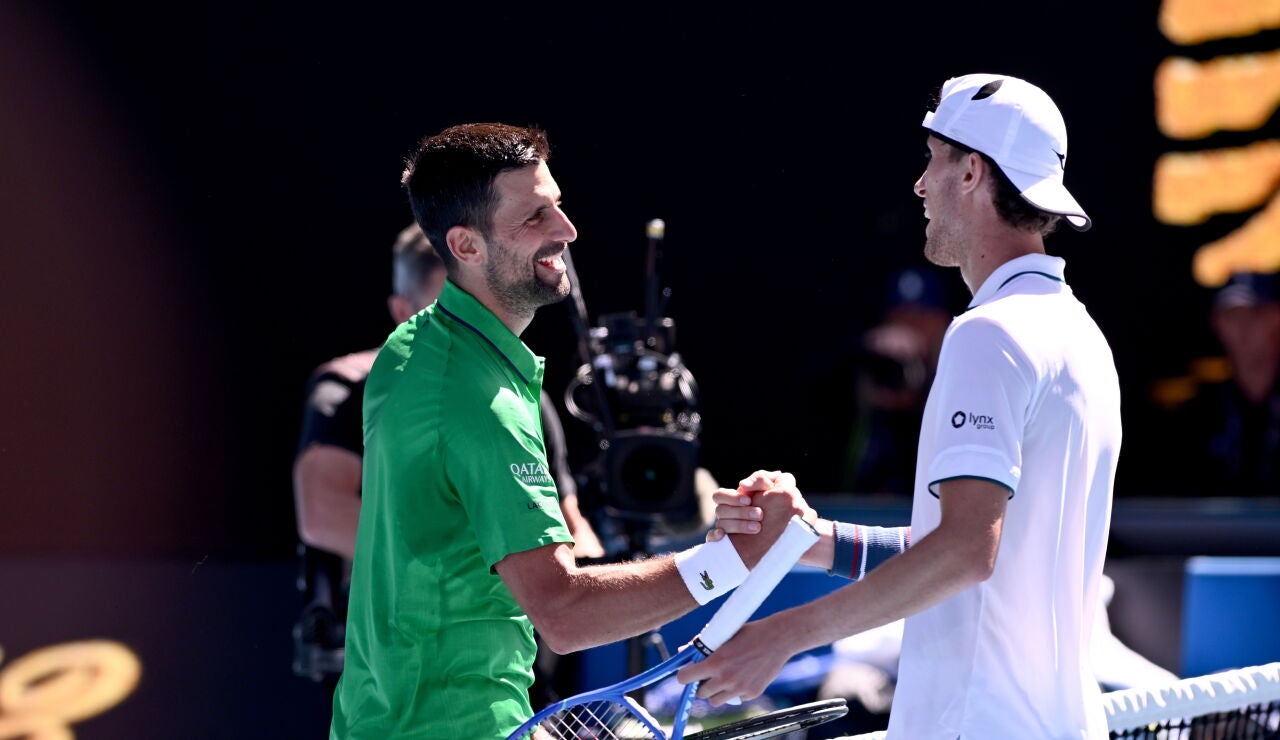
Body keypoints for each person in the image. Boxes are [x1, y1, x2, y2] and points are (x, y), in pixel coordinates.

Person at [329, 122, 805, 739]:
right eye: (533, 218)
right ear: (466, 246)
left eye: (557, 205)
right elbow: (564, 614)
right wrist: (728, 561)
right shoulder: (480, 402)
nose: (566, 230)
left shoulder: (410, 348)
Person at [682, 74, 1122, 738]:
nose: (921, 185)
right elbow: (962, 553)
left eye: (934, 160)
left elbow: (967, 552)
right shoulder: (1082, 337)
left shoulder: (989, 334)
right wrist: (810, 541)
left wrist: (780, 634)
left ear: (971, 172)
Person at [290, 224, 604, 696]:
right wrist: (491, 574)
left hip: (517, 676)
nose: (469, 330)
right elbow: (320, 514)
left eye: (476, 310)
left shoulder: (525, 399)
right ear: (401, 312)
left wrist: (581, 586)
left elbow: (573, 529)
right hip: (397, 677)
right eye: (447, 312)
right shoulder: (349, 388)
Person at [1163, 270, 1280, 496]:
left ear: (1276, 317)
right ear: (1216, 323)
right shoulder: (1199, 410)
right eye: (1230, 317)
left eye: (1253, 315)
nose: (1241, 329)